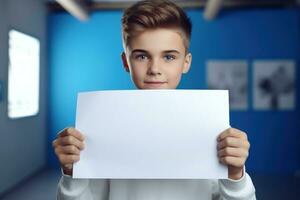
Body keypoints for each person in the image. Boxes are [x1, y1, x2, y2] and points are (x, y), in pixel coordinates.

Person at [52, 0, 256, 199]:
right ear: (126, 62)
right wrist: (72, 173)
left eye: (169, 57)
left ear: (186, 63)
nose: (154, 70)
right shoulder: (103, 126)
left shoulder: (212, 127)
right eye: (142, 56)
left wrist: (235, 175)